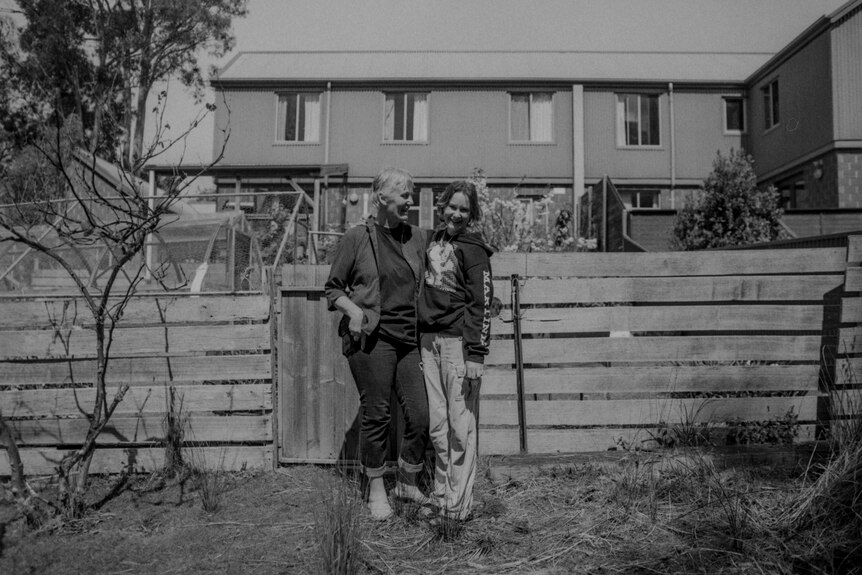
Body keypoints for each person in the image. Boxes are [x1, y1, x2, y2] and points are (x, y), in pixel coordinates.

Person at [325, 167, 430, 520]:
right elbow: (333, 288)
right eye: (404, 195)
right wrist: (353, 311)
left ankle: (407, 481)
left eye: (411, 196)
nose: (410, 202)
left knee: (421, 415)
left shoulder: (415, 238)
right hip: (372, 339)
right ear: (382, 198)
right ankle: (376, 491)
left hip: (408, 339)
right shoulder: (357, 237)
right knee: (377, 415)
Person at [418, 180, 494, 521]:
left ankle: (458, 507)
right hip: (428, 342)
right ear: (442, 205)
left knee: (459, 425)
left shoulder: (475, 249)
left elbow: (483, 301)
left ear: (472, 213)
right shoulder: (434, 240)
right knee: (437, 424)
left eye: (465, 209)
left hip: (457, 345)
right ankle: (441, 494)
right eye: (453, 206)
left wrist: (476, 353)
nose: (457, 214)